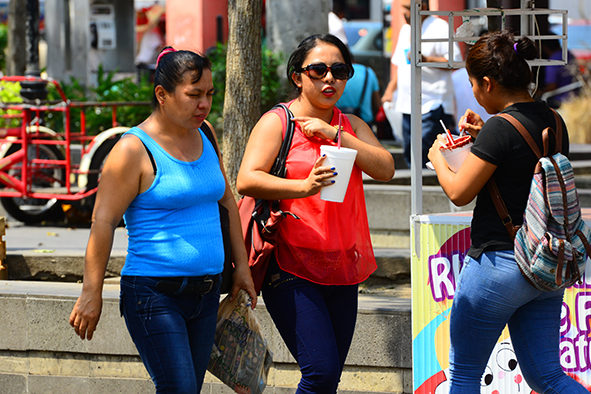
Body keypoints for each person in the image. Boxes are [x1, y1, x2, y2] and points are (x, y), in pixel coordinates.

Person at [69, 47, 257, 393]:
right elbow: (104, 221)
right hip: (154, 295)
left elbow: (227, 201)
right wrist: (90, 292)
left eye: (210, 95)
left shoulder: (206, 134)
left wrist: (241, 268)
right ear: (162, 95)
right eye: (194, 94)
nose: (204, 104)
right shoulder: (132, 149)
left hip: (207, 292)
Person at [427, 30, 588, 393]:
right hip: (544, 263)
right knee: (548, 377)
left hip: (498, 263)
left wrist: (438, 156)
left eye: (472, 84)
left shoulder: (499, 128)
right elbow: (521, 161)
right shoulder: (553, 119)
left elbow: (458, 191)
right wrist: (485, 134)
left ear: (487, 82)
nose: (474, 92)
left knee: (465, 376)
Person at [236, 34, 395, 394]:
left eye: (339, 71)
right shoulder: (279, 122)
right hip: (289, 263)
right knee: (320, 373)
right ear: (298, 77)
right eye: (318, 70)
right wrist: (303, 187)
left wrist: (337, 135)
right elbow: (247, 178)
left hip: (341, 265)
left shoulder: (350, 124)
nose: (329, 79)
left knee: (329, 378)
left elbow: (385, 168)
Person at [381, 0, 462, 167]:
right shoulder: (406, 29)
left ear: (422, 7)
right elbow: (400, 64)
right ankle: (416, 191)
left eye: (407, 9)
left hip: (433, 102)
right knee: (410, 150)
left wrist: (426, 60)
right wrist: (390, 90)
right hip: (407, 103)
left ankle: (430, 189)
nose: (404, 13)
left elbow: (455, 61)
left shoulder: (440, 27)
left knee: (426, 152)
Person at [336, 61, 380, 126]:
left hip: (339, 123)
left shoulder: (335, 73)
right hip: (365, 123)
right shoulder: (368, 72)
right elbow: (376, 104)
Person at [541, 37, 581, 108]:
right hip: (576, 95)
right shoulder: (568, 54)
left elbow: (551, 86)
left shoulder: (552, 61)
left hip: (561, 99)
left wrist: (539, 93)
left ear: (545, 48)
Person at [135, 4, 166, 83]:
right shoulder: (154, 34)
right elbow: (160, 49)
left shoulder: (157, 33)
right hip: (144, 65)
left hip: (146, 65)